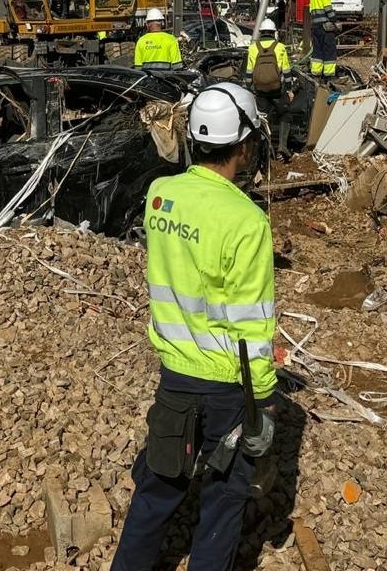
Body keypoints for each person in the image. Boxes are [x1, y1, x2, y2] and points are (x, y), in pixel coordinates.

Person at [112, 82, 276, 571]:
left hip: (175, 379)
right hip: (228, 387)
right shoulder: (247, 222)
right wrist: (262, 403)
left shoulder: (161, 195)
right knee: (225, 499)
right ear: (244, 146)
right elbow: (251, 325)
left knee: (159, 486)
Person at [246, 18, 294, 159]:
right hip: (277, 90)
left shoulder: (253, 48)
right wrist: (289, 89)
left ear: (260, 32)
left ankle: (264, 151)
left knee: (263, 119)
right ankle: (282, 147)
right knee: (285, 115)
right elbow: (286, 72)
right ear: (274, 33)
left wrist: (249, 89)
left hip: (260, 90)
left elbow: (249, 72)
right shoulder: (280, 47)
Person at [307, 0, 337, 82]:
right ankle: (329, 76)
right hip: (326, 26)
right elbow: (327, 8)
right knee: (329, 50)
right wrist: (335, 20)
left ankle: (316, 74)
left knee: (317, 50)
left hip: (316, 26)